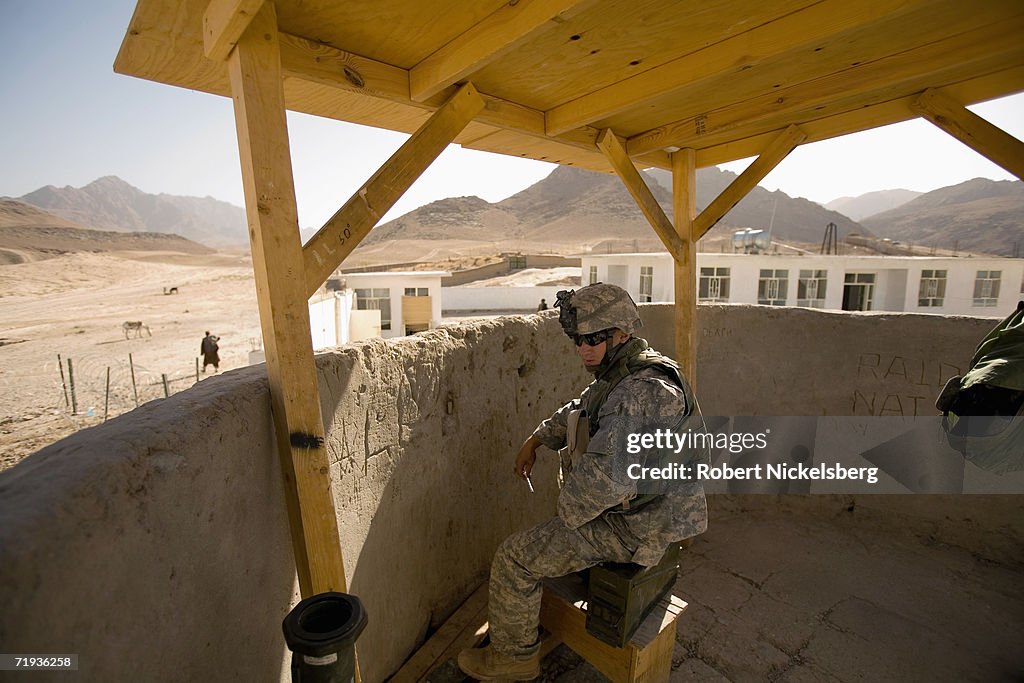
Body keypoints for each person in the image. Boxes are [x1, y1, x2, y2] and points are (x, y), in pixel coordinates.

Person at [458, 283, 708, 681]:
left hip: (640, 529)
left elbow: (600, 487)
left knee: (515, 558)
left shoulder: (639, 392)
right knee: (553, 533)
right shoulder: (628, 370)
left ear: (621, 334)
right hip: (646, 511)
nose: (583, 349)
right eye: (578, 339)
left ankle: (513, 660)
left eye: (594, 339)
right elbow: (583, 407)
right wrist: (538, 438)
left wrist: (562, 516)